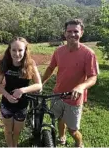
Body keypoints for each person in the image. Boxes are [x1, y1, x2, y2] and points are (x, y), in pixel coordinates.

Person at [42, 19, 99, 147]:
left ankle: (79, 143)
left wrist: (80, 87)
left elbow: (92, 77)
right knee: (59, 119)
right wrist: (41, 83)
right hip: (57, 94)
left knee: (73, 130)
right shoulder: (59, 51)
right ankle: (61, 137)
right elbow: (51, 68)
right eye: (69, 31)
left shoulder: (88, 54)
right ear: (65, 33)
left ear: (82, 33)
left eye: (76, 31)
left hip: (74, 98)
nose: (72, 34)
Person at [0, 37, 42, 147]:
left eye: (20, 50)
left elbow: (39, 85)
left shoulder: (30, 64)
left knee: (16, 132)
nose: (17, 53)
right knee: (8, 131)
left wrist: (22, 90)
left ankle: (15, 145)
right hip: (6, 104)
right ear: (9, 50)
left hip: (22, 105)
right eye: (14, 50)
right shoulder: (5, 63)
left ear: (25, 50)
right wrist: (7, 96)